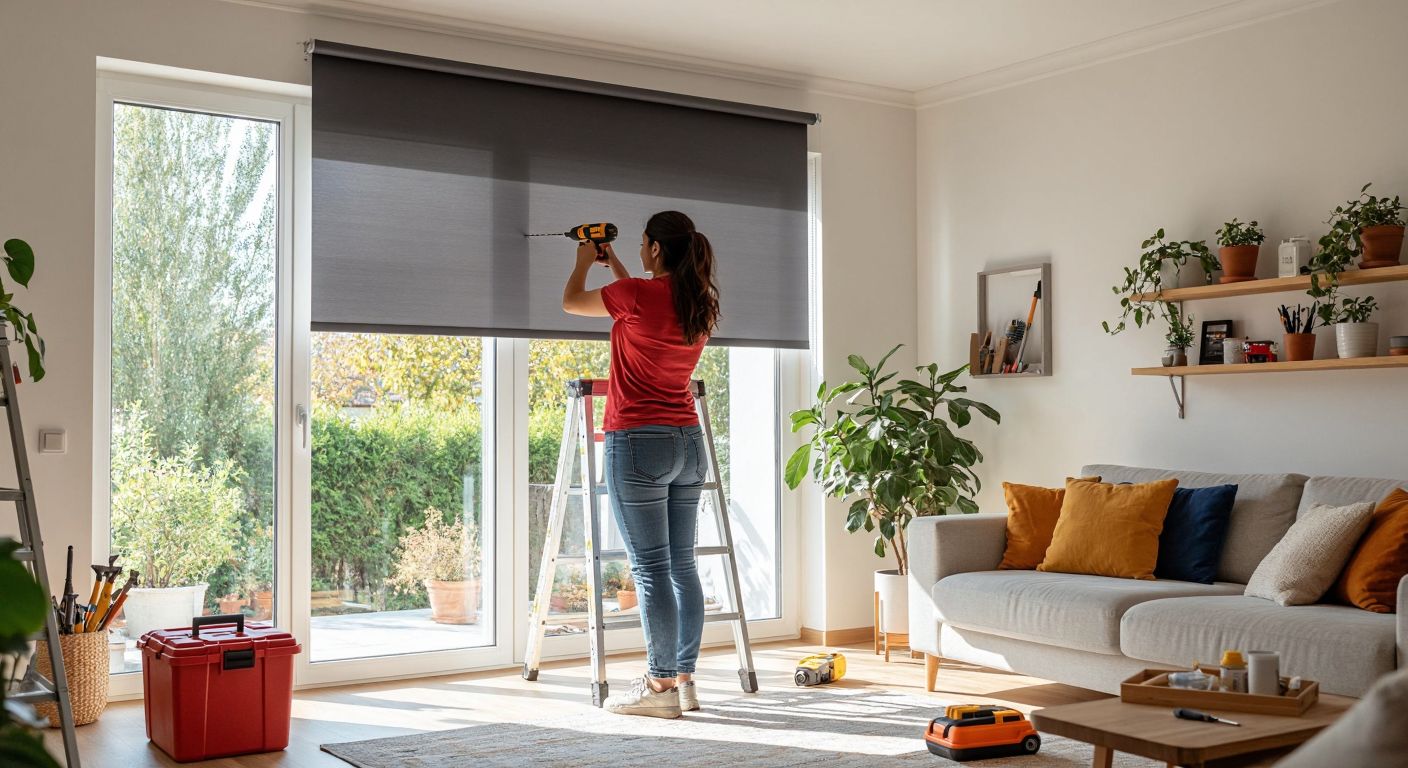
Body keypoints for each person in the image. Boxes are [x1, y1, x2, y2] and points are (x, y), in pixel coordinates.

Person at [561, 210, 720, 719]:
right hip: (687, 442)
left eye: (644, 244)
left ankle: (658, 688)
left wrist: (585, 260)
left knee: (650, 571)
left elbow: (570, 302)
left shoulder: (636, 298)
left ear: (654, 247)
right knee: (681, 565)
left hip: (638, 442)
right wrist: (617, 267)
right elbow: (642, 302)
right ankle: (685, 680)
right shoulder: (700, 303)